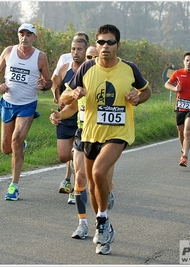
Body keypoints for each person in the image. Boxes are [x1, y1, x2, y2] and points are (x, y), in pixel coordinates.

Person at [60, 24, 151, 255]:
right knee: (92, 186)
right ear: (96, 45)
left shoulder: (129, 69)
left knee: (99, 172)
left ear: (118, 45)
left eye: (110, 42)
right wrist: (74, 93)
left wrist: (137, 98)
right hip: (91, 134)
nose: (105, 46)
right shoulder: (87, 68)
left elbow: (146, 91)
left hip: (118, 133)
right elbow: (64, 96)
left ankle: (101, 222)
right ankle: (105, 227)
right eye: (101, 42)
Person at [50, 45, 115, 240]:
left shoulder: (110, 78)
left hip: (106, 136)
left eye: (93, 57)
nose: (89, 60)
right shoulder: (81, 80)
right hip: (83, 134)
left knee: (98, 181)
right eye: (87, 57)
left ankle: (104, 216)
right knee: (79, 178)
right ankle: (82, 224)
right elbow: (71, 107)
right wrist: (59, 115)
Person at [0, 23, 52, 200]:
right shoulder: (8, 51)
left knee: (15, 140)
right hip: (8, 103)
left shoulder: (40, 57)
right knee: (6, 148)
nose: (24, 37)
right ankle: (20, 146)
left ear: (34, 37)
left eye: (28, 34)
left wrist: (44, 85)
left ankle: (13, 186)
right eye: (21, 34)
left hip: (27, 104)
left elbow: (49, 81)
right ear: (18, 35)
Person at [51, 36, 89, 204]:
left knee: (77, 155)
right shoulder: (65, 68)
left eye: (79, 49)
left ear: (86, 51)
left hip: (84, 119)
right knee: (64, 155)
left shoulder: (91, 71)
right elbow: (55, 85)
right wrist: (58, 100)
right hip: (66, 116)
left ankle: (76, 187)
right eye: (73, 49)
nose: (75, 52)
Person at [165, 51, 190, 167]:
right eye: (187, 60)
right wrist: (175, 88)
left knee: (187, 130)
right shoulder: (177, 73)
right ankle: (183, 150)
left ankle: (185, 156)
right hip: (179, 106)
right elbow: (167, 84)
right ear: (184, 61)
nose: (189, 63)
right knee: (181, 132)